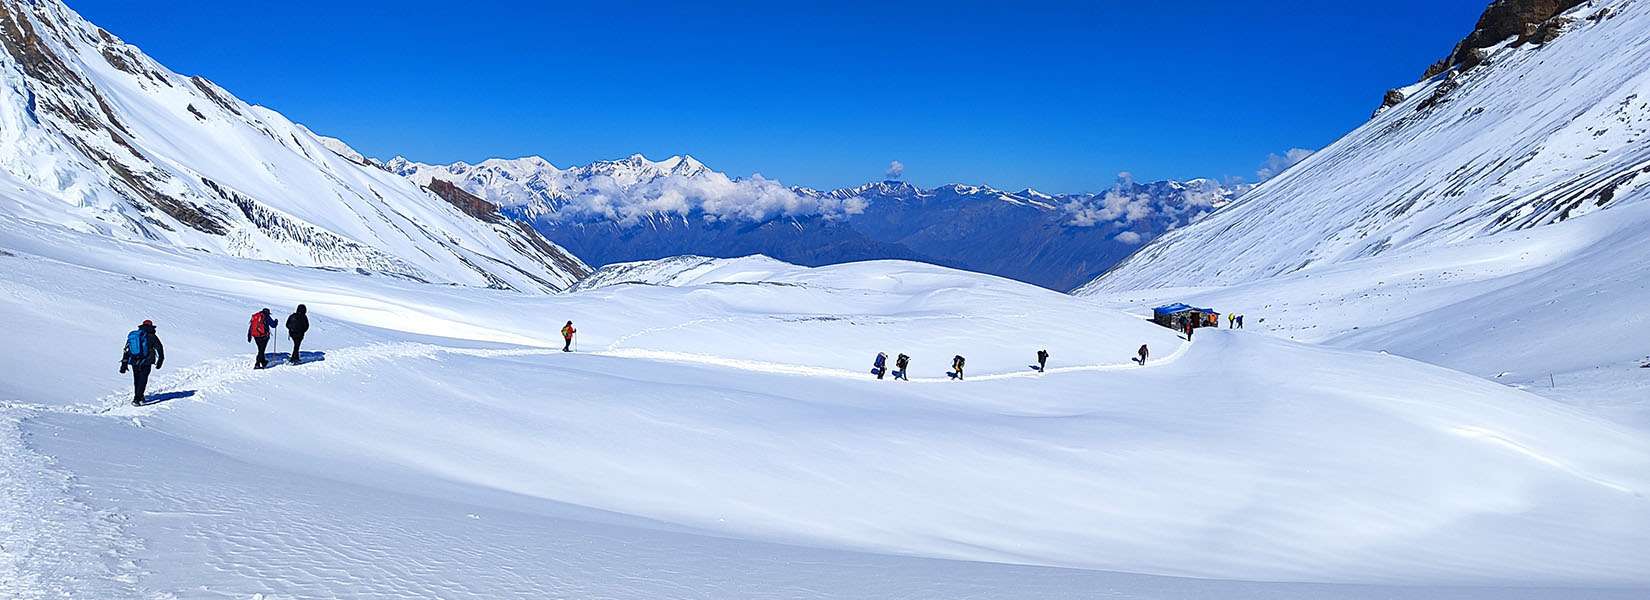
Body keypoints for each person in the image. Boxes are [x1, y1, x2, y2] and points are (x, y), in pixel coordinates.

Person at [120, 320, 165, 405]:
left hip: (134, 360)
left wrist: (124, 363)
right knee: (143, 379)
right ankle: (137, 399)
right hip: (147, 361)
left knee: (137, 379)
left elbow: (126, 349)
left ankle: (139, 396)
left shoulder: (134, 336)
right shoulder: (152, 336)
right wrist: (160, 360)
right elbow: (159, 348)